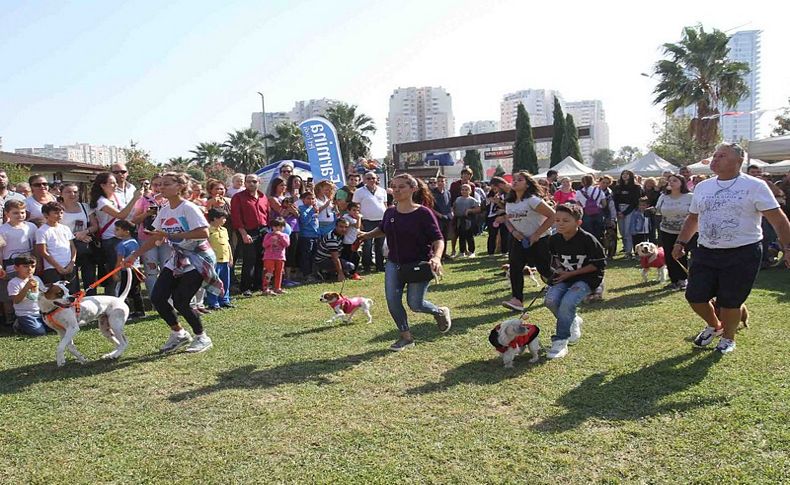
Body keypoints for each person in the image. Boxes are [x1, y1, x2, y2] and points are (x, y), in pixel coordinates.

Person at [672, 143, 790, 354]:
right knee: (695, 295)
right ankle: (715, 326)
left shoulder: (755, 186)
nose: (715, 159)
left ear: (738, 161)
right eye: (715, 155)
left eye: (722, 156)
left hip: (743, 252)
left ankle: (728, 338)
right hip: (706, 250)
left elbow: (779, 221)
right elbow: (693, 218)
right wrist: (681, 242)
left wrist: (787, 248)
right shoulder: (702, 187)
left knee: (730, 300)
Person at [122, 171, 221, 354]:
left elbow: (203, 233)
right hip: (178, 258)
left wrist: (171, 235)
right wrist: (134, 255)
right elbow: (155, 237)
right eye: (160, 184)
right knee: (157, 297)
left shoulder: (188, 208)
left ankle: (202, 337)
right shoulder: (165, 209)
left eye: (166, 184)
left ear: (180, 187)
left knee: (181, 301)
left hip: (197, 258)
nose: (161, 188)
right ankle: (179, 333)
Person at [357, 174, 450, 351]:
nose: (396, 190)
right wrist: (367, 235)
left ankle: (439, 312)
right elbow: (383, 228)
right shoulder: (390, 211)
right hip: (394, 263)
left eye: (401, 187)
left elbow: (438, 239)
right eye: (394, 186)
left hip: (418, 264)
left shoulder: (423, 213)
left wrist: (436, 257)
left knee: (415, 304)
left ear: (413, 189)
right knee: (392, 301)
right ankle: (406, 337)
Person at [544, 203, 606, 359]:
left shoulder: (588, 239)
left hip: (587, 278)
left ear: (578, 223)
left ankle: (560, 341)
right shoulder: (554, 239)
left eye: (565, 220)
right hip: (566, 276)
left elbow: (597, 265)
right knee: (550, 300)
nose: (560, 224)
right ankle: (573, 320)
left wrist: (571, 274)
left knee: (567, 302)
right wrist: (557, 271)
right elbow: (555, 260)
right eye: (557, 220)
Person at [499, 172, 556, 312]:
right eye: (514, 180)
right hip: (518, 239)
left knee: (544, 269)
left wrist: (537, 234)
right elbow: (508, 220)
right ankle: (517, 300)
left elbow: (553, 216)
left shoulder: (532, 200)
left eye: (520, 180)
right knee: (515, 268)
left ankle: (566, 285)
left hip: (540, 239)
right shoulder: (509, 201)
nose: (515, 182)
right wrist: (513, 232)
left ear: (527, 184)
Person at [90, 172, 141, 296]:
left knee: (126, 269)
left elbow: (128, 213)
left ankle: (127, 299)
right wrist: (135, 198)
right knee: (115, 270)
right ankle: (112, 299)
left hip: (123, 236)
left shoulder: (115, 197)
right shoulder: (101, 201)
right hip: (111, 239)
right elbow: (121, 215)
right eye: (112, 183)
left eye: (115, 182)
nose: (115, 185)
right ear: (102, 185)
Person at [130, 174, 170, 298]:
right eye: (156, 185)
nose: (159, 187)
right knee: (151, 271)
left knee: (167, 269)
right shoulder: (144, 200)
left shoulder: (170, 200)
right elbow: (134, 220)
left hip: (166, 240)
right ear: (151, 186)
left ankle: (168, 299)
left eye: (162, 184)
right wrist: (146, 214)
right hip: (147, 238)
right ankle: (155, 299)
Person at [230, 174, 269, 297]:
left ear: (259, 182)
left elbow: (267, 214)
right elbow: (236, 217)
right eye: (248, 182)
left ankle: (257, 285)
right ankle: (245, 287)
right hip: (247, 231)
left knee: (260, 260)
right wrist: (243, 234)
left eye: (254, 181)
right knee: (249, 260)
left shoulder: (263, 197)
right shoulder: (238, 197)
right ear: (245, 183)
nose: (251, 184)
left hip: (263, 231)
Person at [655, 174, 694, 290]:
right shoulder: (663, 197)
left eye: (675, 181)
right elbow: (657, 210)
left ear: (682, 183)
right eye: (670, 181)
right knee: (669, 254)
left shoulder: (690, 197)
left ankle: (683, 279)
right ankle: (674, 280)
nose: (671, 183)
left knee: (681, 254)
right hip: (666, 230)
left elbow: (695, 213)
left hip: (684, 231)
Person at [35, 202, 77, 292]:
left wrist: (71, 263)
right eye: (56, 213)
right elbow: (43, 252)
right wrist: (58, 267)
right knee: (57, 296)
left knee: (72, 293)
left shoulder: (65, 228)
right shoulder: (42, 231)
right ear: (46, 214)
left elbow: (73, 247)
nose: (59, 215)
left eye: (61, 213)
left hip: (69, 266)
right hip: (52, 268)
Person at [352, 171, 387, 273]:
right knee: (367, 245)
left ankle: (380, 266)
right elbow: (355, 208)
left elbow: (385, 205)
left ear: (376, 179)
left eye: (373, 178)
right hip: (367, 221)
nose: (371, 180)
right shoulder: (358, 192)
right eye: (368, 178)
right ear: (364, 180)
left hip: (381, 220)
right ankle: (366, 266)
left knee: (380, 244)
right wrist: (360, 221)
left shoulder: (382, 191)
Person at [6, 256, 47, 336]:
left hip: (40, 312)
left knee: (56, 327)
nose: (29, 269)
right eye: (25, 266)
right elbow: (16, 301)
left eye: (32, 266)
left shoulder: (37, 279)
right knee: (39, 333)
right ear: (16, 268)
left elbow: (43, 292)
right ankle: (19, 324)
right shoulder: (13, 282)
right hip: (25, 314)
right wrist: (26, 287)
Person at [112, 220, 145, 318]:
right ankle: (140, 311)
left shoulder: (121, 245)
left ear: (126, 231)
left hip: (127, 271)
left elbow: (119, 261)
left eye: (117, 229)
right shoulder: (134, 242)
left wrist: (115, 273)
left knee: (123, 292)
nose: (115, 231)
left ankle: (124, 312)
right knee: (136, 291)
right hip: (136, 269)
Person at [206, 208, 234, 309]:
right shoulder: (208, 230)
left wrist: (230, 257)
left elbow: (227, 245)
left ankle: (224, 300)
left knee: (225, 281)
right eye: (223, 218)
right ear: (215, 218)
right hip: (214, 261)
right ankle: (213, 302)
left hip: (225, 260)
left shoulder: (224, 230)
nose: (225, 220)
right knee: (214, 282)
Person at [612, 170, 643, 259]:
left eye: (627, 174)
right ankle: (626, 250)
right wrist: (618, 211)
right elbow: (615, 200)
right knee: (622, 232)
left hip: (630, 210)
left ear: (631, 176)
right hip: (619, 209)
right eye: (623, 174)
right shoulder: (618, 187)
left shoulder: (636, 187)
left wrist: (625, 213)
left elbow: (635, 202)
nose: (625, 176)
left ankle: (629, 252)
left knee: (628, 231)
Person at [313, 218, 353, 282]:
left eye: (346, 227)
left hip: (329, 258)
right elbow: (335, 258)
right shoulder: (332, 238)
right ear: (336, 226)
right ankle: (324, 271)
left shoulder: (340, 235)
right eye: (341, 227)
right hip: (322, 260)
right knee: (349, 266)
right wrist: (341, 274)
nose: (344, 229)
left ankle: (331, 273)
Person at [448, 167, 476, 257]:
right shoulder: (454, 184)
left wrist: (471, 210)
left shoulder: (472, 185)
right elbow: (451, 197)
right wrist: (452, 209)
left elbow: (473, 199)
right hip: (456, 210)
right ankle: (453, 251)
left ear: (470, 176)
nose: (466, 176)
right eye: (464, 174)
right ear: (461, 175)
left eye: (468, 174)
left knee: (467, 232)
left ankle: (468, 250)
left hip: (467, 213)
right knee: (455, 232)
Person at [262, 218, 290, 294]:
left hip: (280, 257)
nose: (278, 229)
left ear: (284, 227)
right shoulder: (268, 235)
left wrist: (281, 236)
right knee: (268, 273)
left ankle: (277, 288)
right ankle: (266, 288)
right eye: (276, 227)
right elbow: (264, 245)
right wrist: (271, 239)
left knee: (279, 272)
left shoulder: (285, 235)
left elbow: (286, 244)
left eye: (280, 227)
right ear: (272, 227)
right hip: (269, 257)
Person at [576, 174, 606, 243]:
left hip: (585, 213)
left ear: (582, 182)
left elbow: (578, 205)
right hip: (598, 213)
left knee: (587, 233)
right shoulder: (599, 191)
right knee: (598, 233)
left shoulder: (578, 193)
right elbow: (604, 204)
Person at [453, 183, 481, 258]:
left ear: (470, 191)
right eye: (462, 190)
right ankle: (462, 252)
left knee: (469, 236)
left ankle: (471, 251)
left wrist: (470, 210)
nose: (464, 191)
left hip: (468, 219)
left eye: (466, 190)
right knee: (461, 236)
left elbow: (478, 209)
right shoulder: (458, 199)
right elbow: (454, 206)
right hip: (459, 219)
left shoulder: (472, 200)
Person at [297, 191, 320, 280]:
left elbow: (316, 222)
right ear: (303, 199)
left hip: (316, 235)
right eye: (308, 198)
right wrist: (311, 212)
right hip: (306, 236)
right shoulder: (301, 208)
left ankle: (314, 273)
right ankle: (306, 274)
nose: (311, 200)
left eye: (312, 198)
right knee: (306, 256)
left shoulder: (314, 208)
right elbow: (304, 221)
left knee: (314, 255)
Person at [485, 177, 510, 256]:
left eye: (495, 188)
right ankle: (491, 252)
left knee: (504, 234)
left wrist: (499, 203)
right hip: (492, 216)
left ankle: (504, 251)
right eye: (492, 188)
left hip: (503, 216)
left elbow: (507, 207)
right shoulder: (491, 195)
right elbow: (486, 205)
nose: (494, 190)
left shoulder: (508, 193)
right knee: (492, 234)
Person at [430, 176, 453, 259]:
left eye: (442, 181)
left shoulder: (448, 193)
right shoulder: (432, 193)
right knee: (437, 237)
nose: (440, 183)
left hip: (447, 218)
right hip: (437, 218)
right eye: (438, 181)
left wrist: (451, 213)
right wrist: (438, 214)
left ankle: (443, 254)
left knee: (445, 236)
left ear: (445, 182)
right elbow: (430, 207)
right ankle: (435, 254)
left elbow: (450, 204)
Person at [341, 202, 363, 280]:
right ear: (348, 210)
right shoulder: (346, 218)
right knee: (349, 258)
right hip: (348, 242)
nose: (356, 212)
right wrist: (358, 218)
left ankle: (353, 272)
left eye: (358, 210)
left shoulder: (356, 218)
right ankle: (349, 273)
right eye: (354, 210)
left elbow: (359, 228)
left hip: (355, 241)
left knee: (356, 257)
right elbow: (357, 226)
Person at [642, 177, 662, 244]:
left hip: (654, 211)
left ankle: (654, 242)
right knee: (646, 228)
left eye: (652, 183)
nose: (649, 184)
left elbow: (656, 201)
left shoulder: (656, 192)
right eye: (648, 183)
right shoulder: (642, 191)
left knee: (653, 228)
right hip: (644, 211)